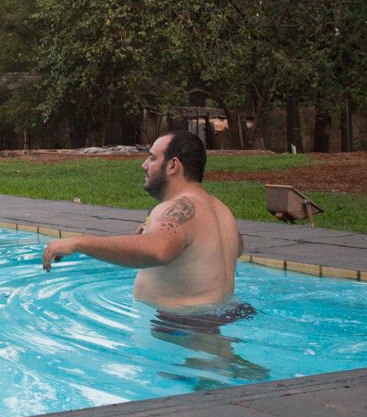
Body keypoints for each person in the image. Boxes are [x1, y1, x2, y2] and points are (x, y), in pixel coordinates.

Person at [40, 131, 243, 315]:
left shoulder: (177, 208)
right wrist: (151, 237)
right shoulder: (222, 211)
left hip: (181, 327)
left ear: (173, 165)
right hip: (219, 316)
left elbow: (158, 251)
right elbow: (228, 249)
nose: (144, 164)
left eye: (152, 157)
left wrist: (79, 243)